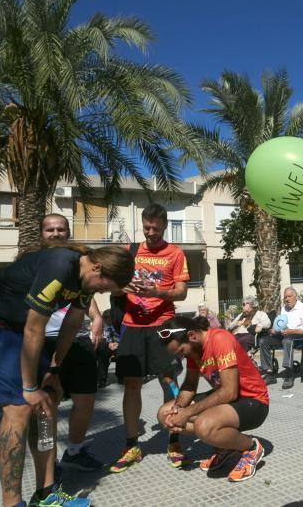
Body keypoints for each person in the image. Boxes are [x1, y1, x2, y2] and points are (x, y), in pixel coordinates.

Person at [0, 244, 132, 507]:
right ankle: (12, 503)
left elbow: (72, 322)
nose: (101, 292)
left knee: (47, 401)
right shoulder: (60, 267)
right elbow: (34, 328)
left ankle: (46, 494)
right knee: (19, 408)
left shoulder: (85, 280)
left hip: (17, 329)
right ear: (97, 267)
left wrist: (53, 369)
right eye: (104, 286)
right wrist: (29, 387)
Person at [111, 203, 190, 473]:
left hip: (163, 325)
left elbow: (181, 292)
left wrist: (156, 291)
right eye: (147, 227)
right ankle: (131, 445)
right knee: (131, 385)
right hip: (132, 325)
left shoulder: (175, 253)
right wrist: (122, 286)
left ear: (165, 226)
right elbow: (112, 281)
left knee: (169, 380)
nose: (151, 232)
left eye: (156, 228)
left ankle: (175, 438)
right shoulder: (130, 251)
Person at [156, 316, 269, 482]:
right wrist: (178, 407)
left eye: (180, 351)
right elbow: (190, 383)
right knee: (165, 414)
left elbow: (229, 391)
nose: (180, 357)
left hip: (253, 402)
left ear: (192, 335)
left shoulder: (220, 338)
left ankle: (251, 448)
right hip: (229, 401)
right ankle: (227, 444)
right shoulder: (194, 349)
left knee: (204, 427)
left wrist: (187, 413)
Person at [37, 214, 106, 472]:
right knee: (46, 406)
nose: (55, 233)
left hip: (77, 340)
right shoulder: (34, 262)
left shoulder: (78, 261)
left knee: (86, 399)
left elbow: (86, 295)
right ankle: (48, 464)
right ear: (41, 234)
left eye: (60, 229)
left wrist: (97, 317)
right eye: (49, 229)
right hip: (45, 343)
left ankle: (74, 451)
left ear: (68, 232)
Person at [260, 287, 303, 390]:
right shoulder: (284, 308)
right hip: (284, 335)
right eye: (285, 297)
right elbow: (281, 325)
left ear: (295, 296)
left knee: (287, 341)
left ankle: (289, 374)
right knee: (263, 341)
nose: (287, 299)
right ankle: (270, 373)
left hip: (298, 336)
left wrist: (291, 331)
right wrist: (275, 330)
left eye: (289, 296)